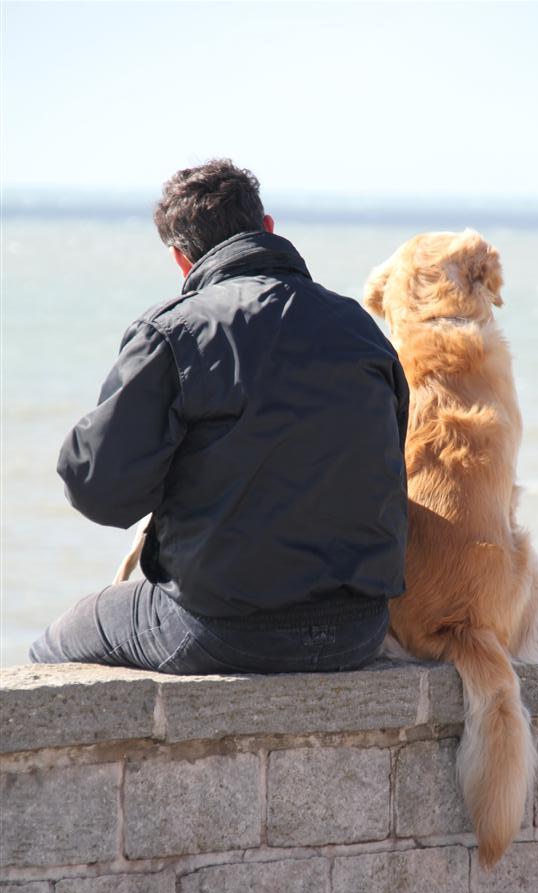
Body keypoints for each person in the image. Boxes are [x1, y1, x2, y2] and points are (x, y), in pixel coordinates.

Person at [29, 159, 409, 674]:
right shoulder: (359, 328)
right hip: (359, 630)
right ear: (268, 228)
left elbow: (100, 488)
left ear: (181, 260)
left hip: (225, 631)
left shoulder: (173, 333)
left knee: (54, 645)